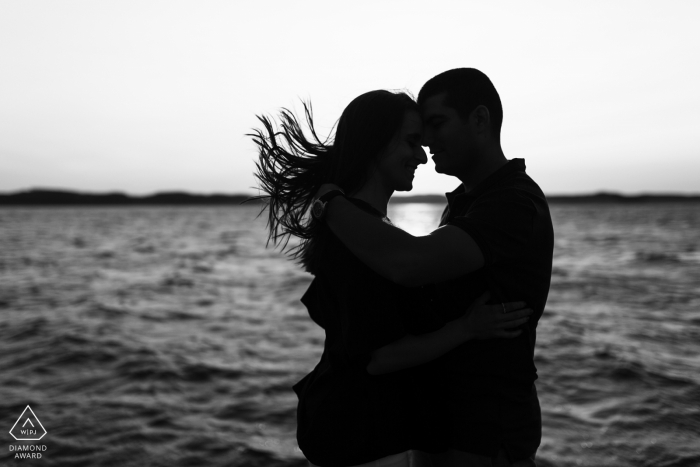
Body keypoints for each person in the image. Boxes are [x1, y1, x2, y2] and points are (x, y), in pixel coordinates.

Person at [249, 89, 533, 467]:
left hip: (370, 429)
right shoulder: (360, 238)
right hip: (360, 433)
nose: (422, 154)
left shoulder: (367, 230)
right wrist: (466, 328)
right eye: (412, 141)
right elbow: (376, 358)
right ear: (375, 143)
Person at [314, 69, 554, 467]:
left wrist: (329, 204)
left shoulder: (513, 203)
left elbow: (410, 263)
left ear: (480, 120)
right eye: (418, 132)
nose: (426, 141)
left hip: (485, 429)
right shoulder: (464, 205)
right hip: (441, 424)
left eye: (437, 123)